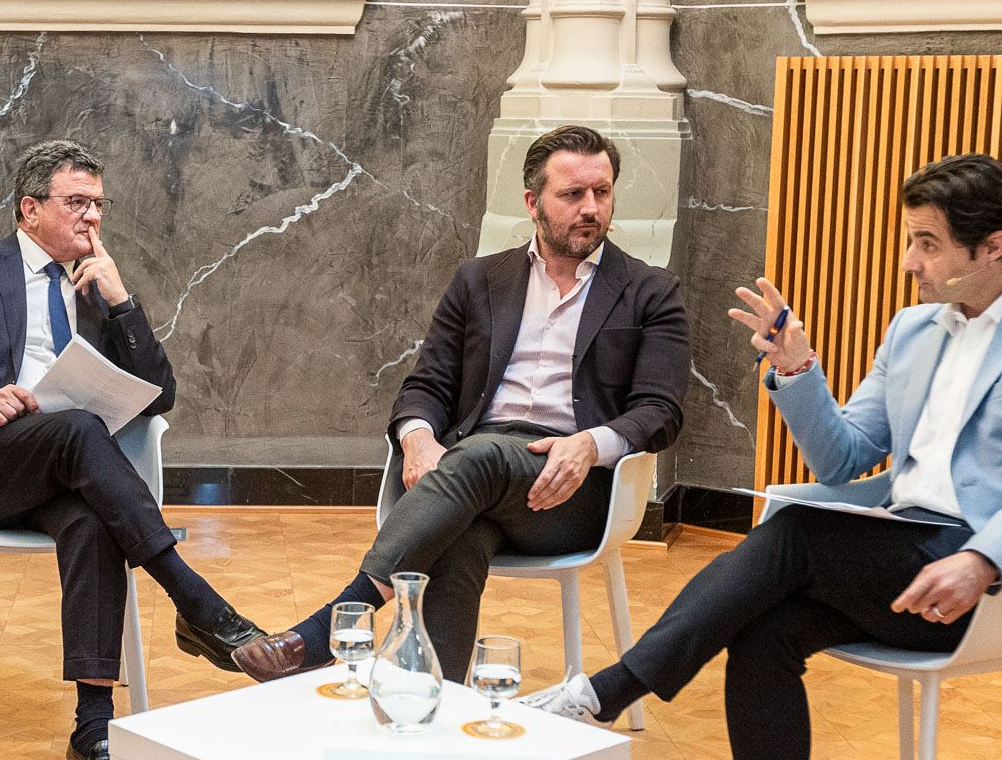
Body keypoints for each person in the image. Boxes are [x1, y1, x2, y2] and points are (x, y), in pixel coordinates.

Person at [524, 153, 1002, 760]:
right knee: (766, 628)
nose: (907, 262)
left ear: (994, 246)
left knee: (797, 533)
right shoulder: (915, 329)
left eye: (927, 243)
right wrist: (798, 370)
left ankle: (606, 691)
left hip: (986, 579)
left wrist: (982, 559)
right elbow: (849, 457)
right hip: (894, 557)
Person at [231, 124, 689, 683]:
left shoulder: (650, 290)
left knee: (476, 458)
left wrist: (590, 445)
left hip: (572, 491)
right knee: (459, 534)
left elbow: (660, 411)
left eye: (602, 192)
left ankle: (328, 627)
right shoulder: (479, 280)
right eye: (572, 194)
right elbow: (426, 385)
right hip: (470, 477)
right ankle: (433, 706)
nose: (591, 208)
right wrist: (418, 437)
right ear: (533, 203)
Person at [0, 139, 264, 760]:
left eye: (98, 205)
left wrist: (121, 305)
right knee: (80, 430)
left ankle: (92, 735)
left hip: (73, 474)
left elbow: (160, 394)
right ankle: (197, 603)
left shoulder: (97, 283)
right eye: (76, 203)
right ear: (30, 209)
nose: (91, 219)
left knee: (93, 515)